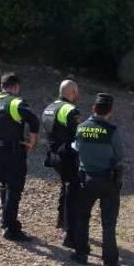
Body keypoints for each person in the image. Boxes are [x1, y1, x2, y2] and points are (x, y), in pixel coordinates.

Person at [0, 73, 40, 242]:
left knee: (5, 186)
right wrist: (32, 141)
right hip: (13, 152)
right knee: (14, 188)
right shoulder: (16, 102)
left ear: (1, 86)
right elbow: (34, 120)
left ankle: (5, 221)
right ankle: (11, 228)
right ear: (14, 87)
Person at [71, 93, 124, 266]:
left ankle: (81, 254)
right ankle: (109, 264)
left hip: (87, 179)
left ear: (93, 108)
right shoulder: (112, 131)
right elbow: (120, 155)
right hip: (108, 181)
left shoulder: (81, 128)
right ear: (110, 112)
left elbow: (77, 148)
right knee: (108, 224)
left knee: (82, 216)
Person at [41, 80, 81, 248]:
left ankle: (61, 220)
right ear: (72, 92)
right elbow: (79, 135)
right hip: (68, 156)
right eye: (76, 91)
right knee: (74, 192)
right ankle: (71, 236)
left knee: (65, 187)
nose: (77, 95)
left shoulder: (49, 108)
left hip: (54, 155)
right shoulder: (70, 110)